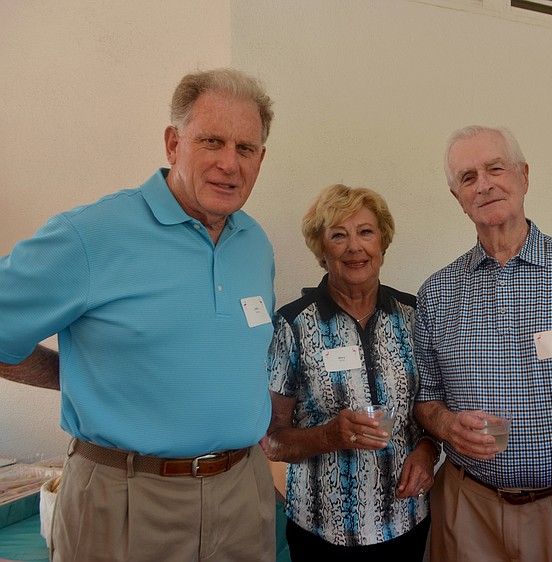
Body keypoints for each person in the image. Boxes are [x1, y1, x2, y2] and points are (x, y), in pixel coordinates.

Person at [0, 68, 277, 562]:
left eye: (246, 148)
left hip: (242, 492)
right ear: (173, 143)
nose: (229, 164)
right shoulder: (89, 235)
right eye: (212, 141)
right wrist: (69, 376)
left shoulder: (254, 243)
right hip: (126, 497)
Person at [414, 125, 552, 562]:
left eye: (496, 168)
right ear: (457, 197)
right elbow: (427, 398)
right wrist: (445, 425)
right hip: (466, 509)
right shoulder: (436, 293)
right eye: (468, 177)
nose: (485, 184)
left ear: (524, 176)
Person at [263, 183, 437, 562]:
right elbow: (272, 440)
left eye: (366, 232)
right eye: (338, 235)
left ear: (383, 243)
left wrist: (428, 451)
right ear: (322, 250)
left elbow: (431, 408)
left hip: (405, 521)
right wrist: (329, 435)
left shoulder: (414, 315)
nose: (354, 247)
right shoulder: (292, 326)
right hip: (320, 530)